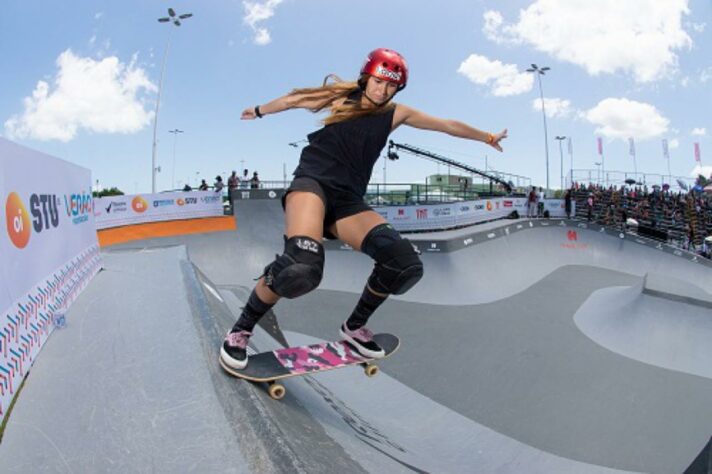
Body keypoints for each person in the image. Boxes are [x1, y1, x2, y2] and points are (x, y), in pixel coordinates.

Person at [220, 48, 508, 370]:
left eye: (390, 87)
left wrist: (486, 137)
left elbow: (445, 125)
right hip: (311, 185)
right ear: (366, 76)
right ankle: (241, 330)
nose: (382, 91)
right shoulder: (339, 99)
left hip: (348, 201)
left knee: (402, 263)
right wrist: (259, 110)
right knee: (300, 268)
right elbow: (291, 100)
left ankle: (354, 327)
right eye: (378, 82)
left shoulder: (397, 114)